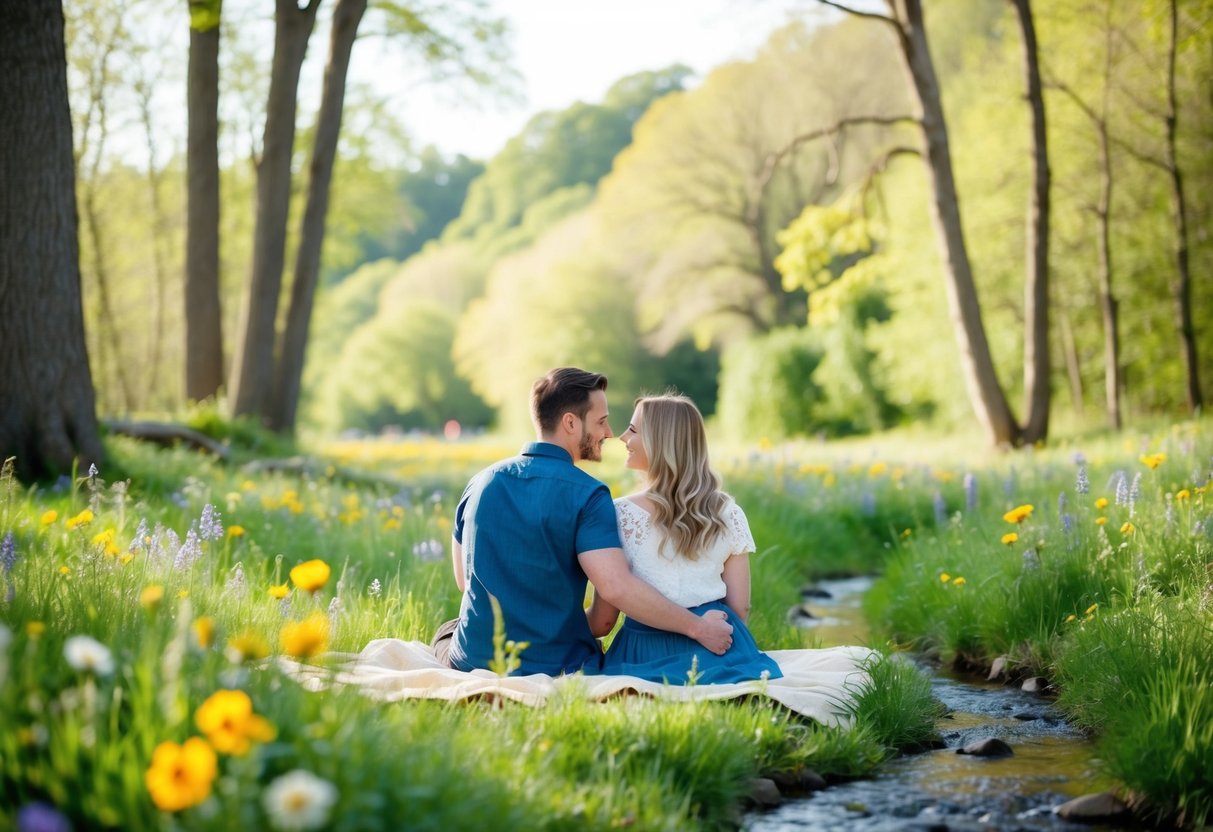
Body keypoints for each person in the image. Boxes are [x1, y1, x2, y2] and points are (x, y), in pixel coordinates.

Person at [433, 368, 734, 676]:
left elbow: (463, 580)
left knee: (448, 631)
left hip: (472, 661)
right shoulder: (589, 495)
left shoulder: (480, 482)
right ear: (570, 422)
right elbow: (614, 593)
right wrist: (697, 628)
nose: (608, 433)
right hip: (559, 665)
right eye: (601, 421)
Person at [587, 393, 783, 685]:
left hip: (645, 649)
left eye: (634, 430)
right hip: (717, 644)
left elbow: (604, 621)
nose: (622, 437)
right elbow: (739, 608)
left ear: (660, 443)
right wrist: (729, 649)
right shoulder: (729, 512)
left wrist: (563, 633)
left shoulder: (620, 515)